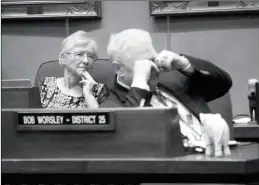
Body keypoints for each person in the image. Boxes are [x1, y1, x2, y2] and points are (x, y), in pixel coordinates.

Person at [101, 28, 233, 157]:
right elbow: (131, 140)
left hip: (221, 154)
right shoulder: (111, 107)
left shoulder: (174, 78)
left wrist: (185, 64)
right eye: (145, 64)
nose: (154, 67)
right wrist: (140, 84)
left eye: (153, 59)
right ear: (119, 69)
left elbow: (223, 84)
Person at [38, 30, 109, 108]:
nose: (86, 60)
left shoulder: (99, 91)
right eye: (79, 54)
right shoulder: (45, 85)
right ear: (63, 58)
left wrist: (89, 95)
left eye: (91, 56)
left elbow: (102, 119)